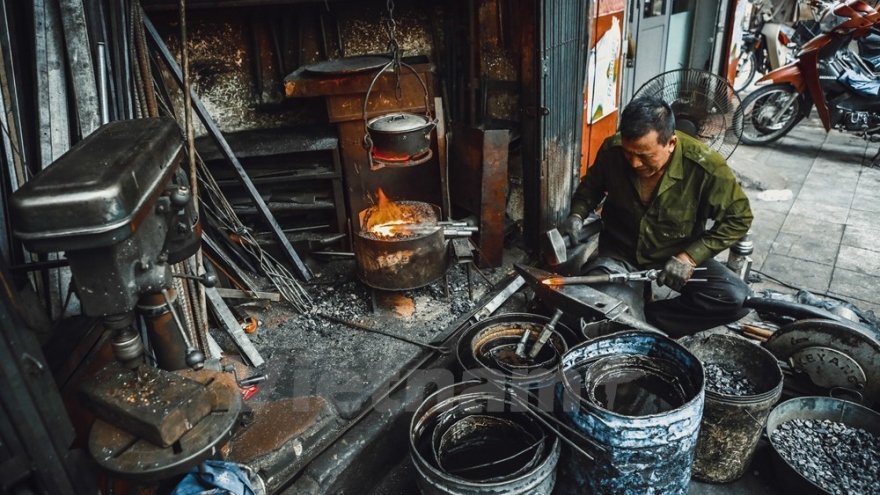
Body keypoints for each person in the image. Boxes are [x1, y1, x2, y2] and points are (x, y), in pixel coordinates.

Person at [561, 96, 753, 337]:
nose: (634, 162)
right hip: (621, 254)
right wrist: (577, 213)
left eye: (644, 155)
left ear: (671, 142)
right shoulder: (613, 150)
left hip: (674, 254)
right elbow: (590, 188)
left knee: (735, 299)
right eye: (629, 152)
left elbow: (740, 219)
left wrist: (690, 257)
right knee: (593, 302)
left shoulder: (705, 166)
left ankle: (647, 321)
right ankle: (630, 318)